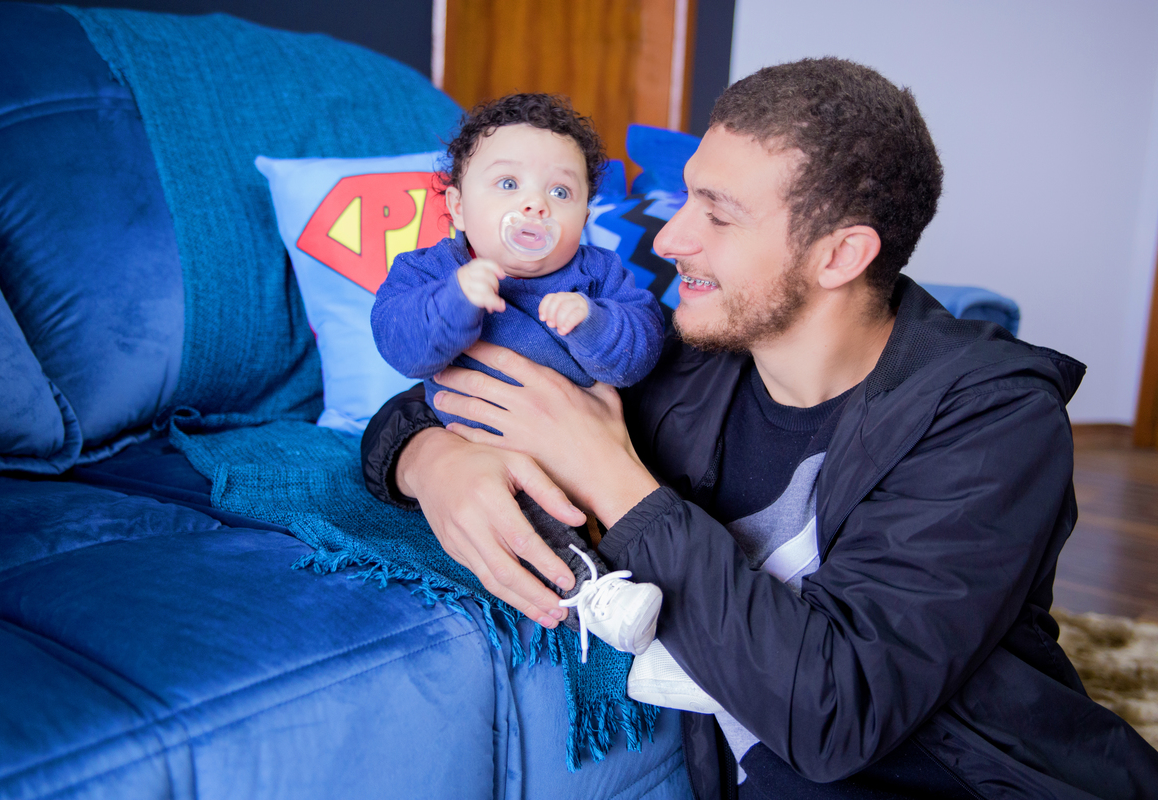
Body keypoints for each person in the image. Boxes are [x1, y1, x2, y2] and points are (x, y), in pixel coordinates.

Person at [361, 59, 1158, 798]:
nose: (669, 240)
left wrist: (612, 476)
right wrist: (431, 461)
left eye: (719, 214)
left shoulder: (993, 421)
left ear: (840, 254)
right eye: (685, 198)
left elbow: (836, 714)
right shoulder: (697, 360)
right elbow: (440, 398)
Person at [370, 93, 666, 662]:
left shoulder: (598, 276)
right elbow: (399, 343)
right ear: (456, 207)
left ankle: (671, 611)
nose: (535, 206)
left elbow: (639, 349)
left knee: (649, 504)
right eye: (508, 185)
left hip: (595, 447)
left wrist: (594, 324)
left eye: (560, 192)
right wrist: (457, 301)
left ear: (584, 215)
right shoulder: (434, 271)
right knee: (526, 521)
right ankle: (598, 598)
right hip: (492, 451)